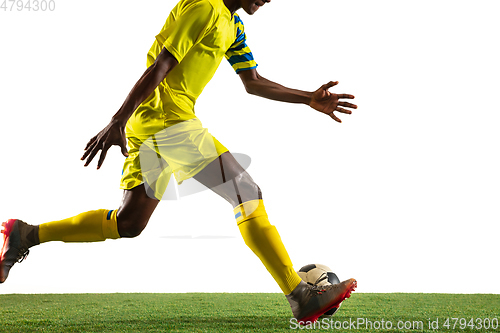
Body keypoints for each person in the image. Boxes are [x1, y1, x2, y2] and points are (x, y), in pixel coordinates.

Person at [1, 0, 357, 323]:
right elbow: (161, 65)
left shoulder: (232, 24)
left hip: (154, 124)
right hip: (169, 122)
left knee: (129, 222)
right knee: (244, 189)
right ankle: (300, 295)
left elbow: (252, 81)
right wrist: (117, 119)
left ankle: (27, 234)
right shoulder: (204, 7)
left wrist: (308, 97)